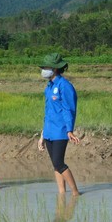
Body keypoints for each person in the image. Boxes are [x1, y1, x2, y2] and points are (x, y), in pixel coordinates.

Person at [37, 53, 80, 196]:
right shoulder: (49, 86)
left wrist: (69, 130)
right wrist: (42, 134)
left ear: (55, 69)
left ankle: (75, 193)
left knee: (59, 163)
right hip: (49, 130)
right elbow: (48, 111)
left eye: (46, 67)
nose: (43, 70)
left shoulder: (65, 85)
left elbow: (69, 109)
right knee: (55, 165)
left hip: (61, 131)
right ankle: (62, 193)